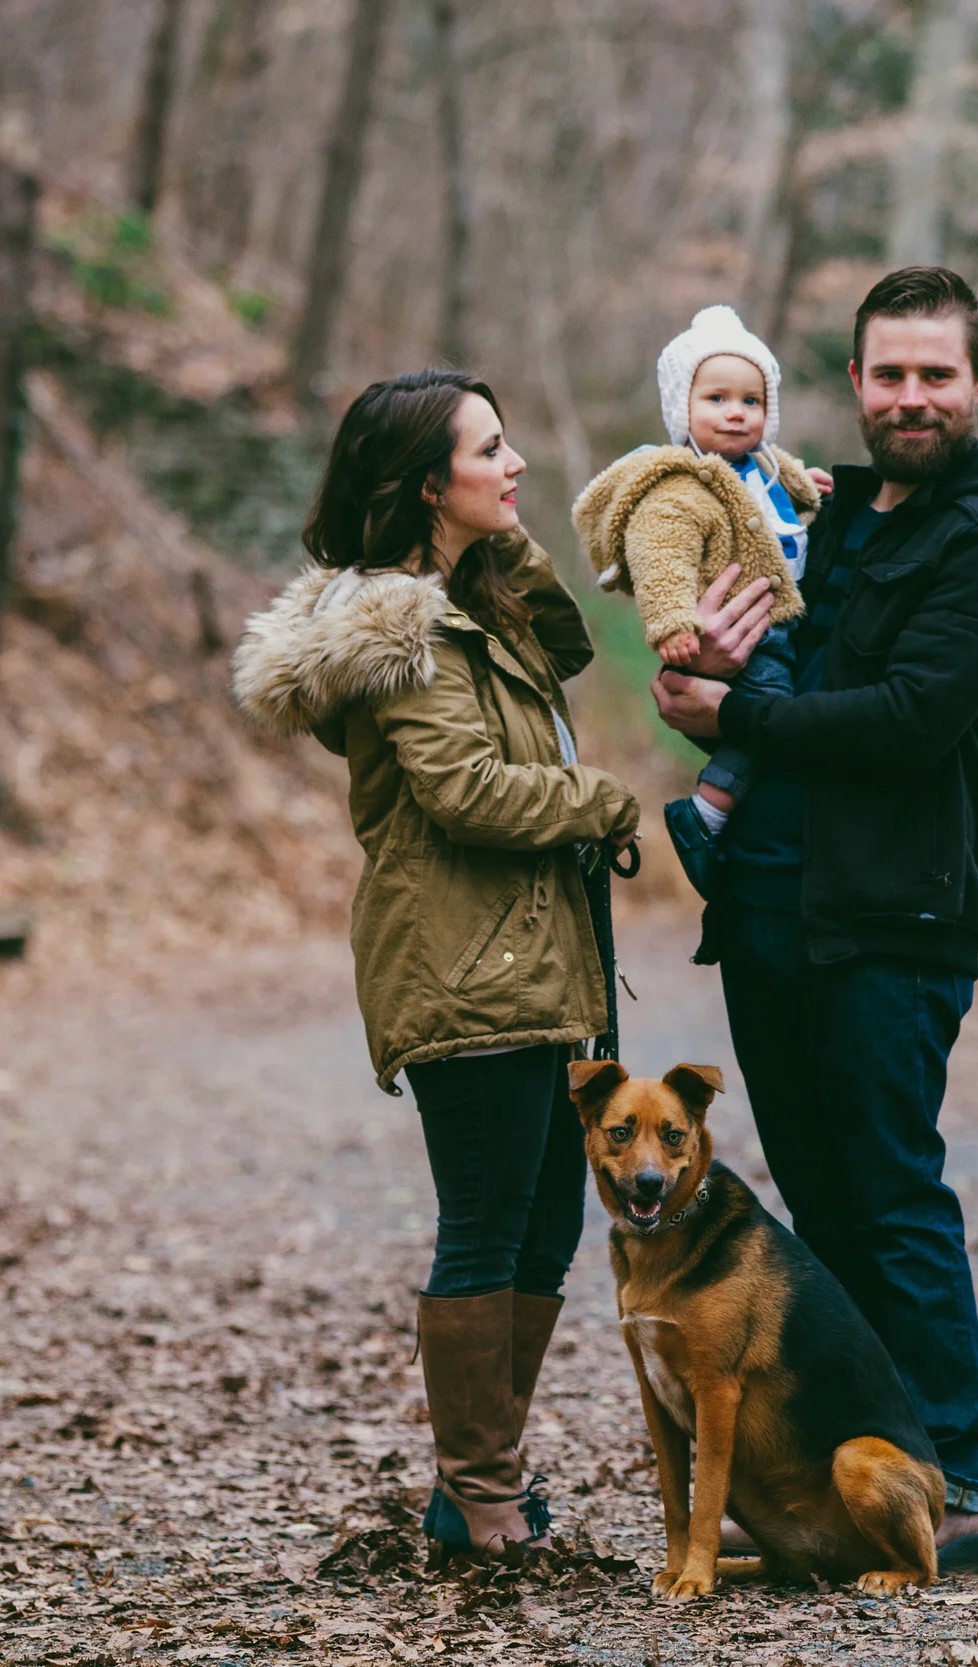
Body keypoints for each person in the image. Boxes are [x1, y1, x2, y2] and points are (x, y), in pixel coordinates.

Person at [650, 267, 978, 1544]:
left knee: (891, 1191)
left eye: (936, 373)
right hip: (773, 910)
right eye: (888, 373)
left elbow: (910, 721)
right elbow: (751, 635)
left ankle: (955, 1476)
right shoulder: (822, 512)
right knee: (818, 1202)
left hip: (895, 921)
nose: (910, 396)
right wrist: (708, 666)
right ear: (856, 385)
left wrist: (742, 712)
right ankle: (849, 1465)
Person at [231, 370, 640, 1557]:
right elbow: (464, 789)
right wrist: (601, 797)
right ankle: (481, 1491)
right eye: (489, 450)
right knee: (488, 1220)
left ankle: (482, 1481)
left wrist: (503, 565)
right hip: (462, 965)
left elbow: (562, 659)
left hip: (534, 961)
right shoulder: (397, 629)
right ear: (424, 483)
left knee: (548, 1225)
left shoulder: (466, 609)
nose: (515, 467)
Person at [571, 304, 829, 898]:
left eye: (751, 401)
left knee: (775, 718)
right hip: (739, 630)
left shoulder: (761, 468)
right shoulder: (679, 487)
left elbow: (780, 485)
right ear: (681, 408)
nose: (736, 413)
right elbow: (661, 558)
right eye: (716, 399)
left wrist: (806, 485)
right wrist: (671, 624)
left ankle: (726, 819)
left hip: (774, 623)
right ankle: (706, 814)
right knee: (769, 716)